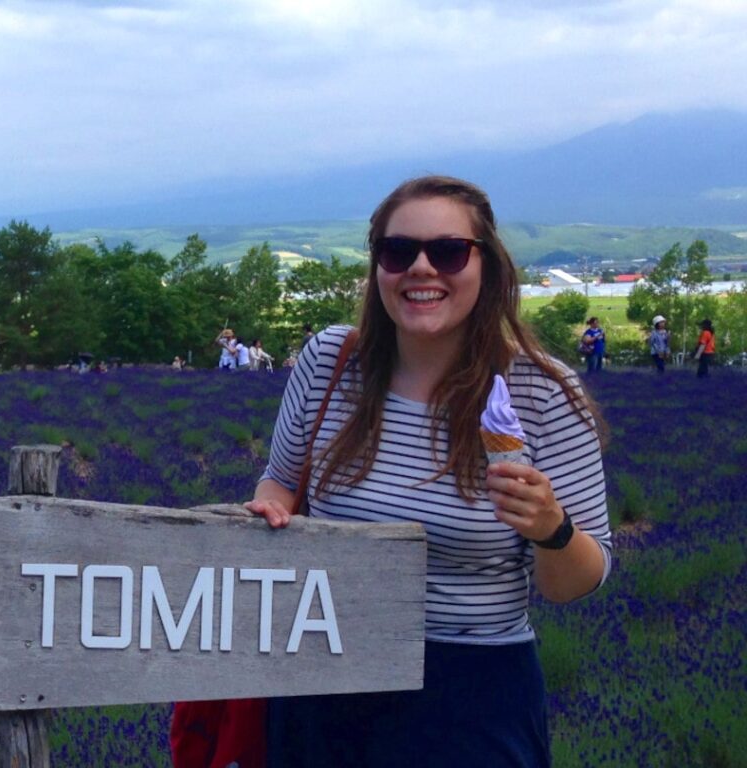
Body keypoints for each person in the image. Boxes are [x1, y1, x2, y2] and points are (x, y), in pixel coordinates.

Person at [245, 176, 612, 768]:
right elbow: (279, 480)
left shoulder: (542, 393)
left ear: (485, 266)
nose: (421, 268)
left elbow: (574, 583)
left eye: (446, 251)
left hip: (471, 693)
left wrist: (552, 529)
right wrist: (273, 510)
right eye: (398, 252)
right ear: (378, 268)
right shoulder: (331, 362)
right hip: (327, 669)